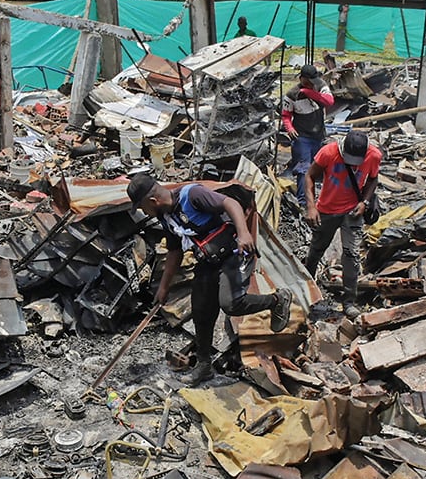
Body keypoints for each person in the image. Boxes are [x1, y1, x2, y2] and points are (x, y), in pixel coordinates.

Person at [127, 173, 293, 386]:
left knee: (231, 303)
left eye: (142, 207)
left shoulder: (192, 195)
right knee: (201, 310)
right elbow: (175, 251)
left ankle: (277, 300)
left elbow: (229, 202)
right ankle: (204, 366)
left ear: (153, 201)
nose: (144, 212)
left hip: (235, 252)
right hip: (209, 260)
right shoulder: (166, 217)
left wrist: (243, 233)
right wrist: (164, 287)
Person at [302, 130, 382, 319]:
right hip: (327, 209)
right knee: (316, 250)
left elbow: (373, 179)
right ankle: (305, 291)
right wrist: (311, 207)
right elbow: (309, 176)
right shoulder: (328, 152)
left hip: (353, 211)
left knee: (352, 255)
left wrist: (365, 202)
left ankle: (349, 302)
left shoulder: (374, 155)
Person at [282, 64, 335, 206]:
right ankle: (303, 201)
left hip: (318, 135)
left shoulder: (321, 86)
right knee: (303, 168)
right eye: (309, 82)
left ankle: (316, 197)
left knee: (316, 167)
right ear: (302, 79)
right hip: (301, 137)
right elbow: (286, 115)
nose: (313, 84)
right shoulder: (292, 94)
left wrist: (309, 92)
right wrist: (289, 128)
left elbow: (329, 101)